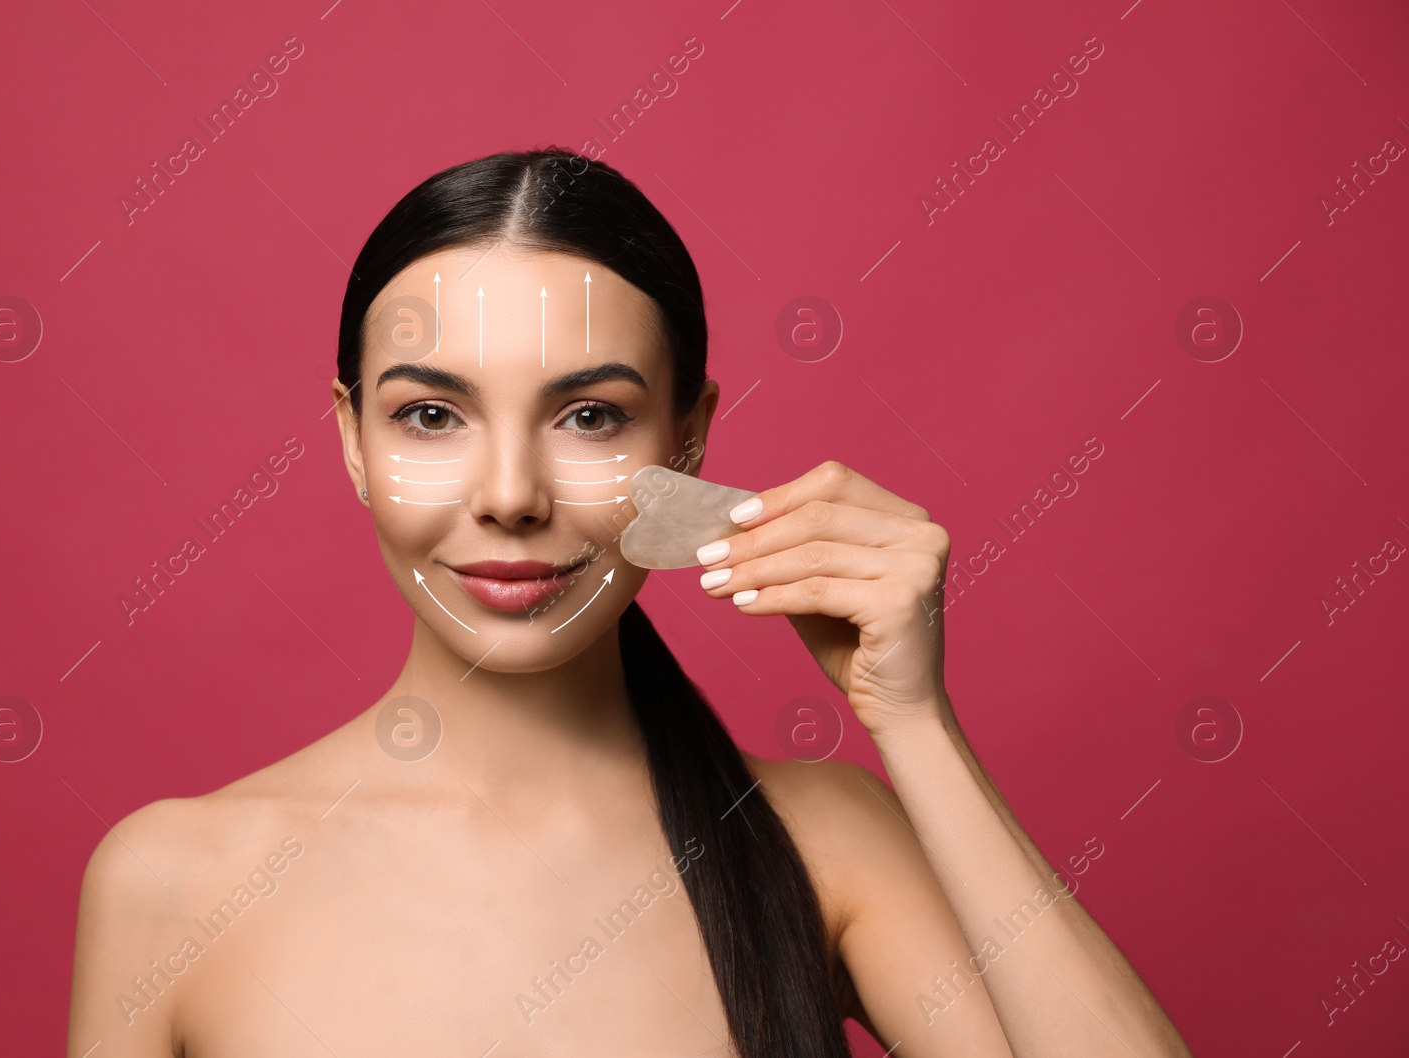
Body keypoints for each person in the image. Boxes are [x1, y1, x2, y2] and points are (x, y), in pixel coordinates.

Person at [67, 146, 1193, 1057]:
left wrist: (915, 723)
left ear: (689, 439)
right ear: (352, 441)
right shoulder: (175, 882)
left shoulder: (826, 842)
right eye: (429, 416)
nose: (509, 496)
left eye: (589, 416)